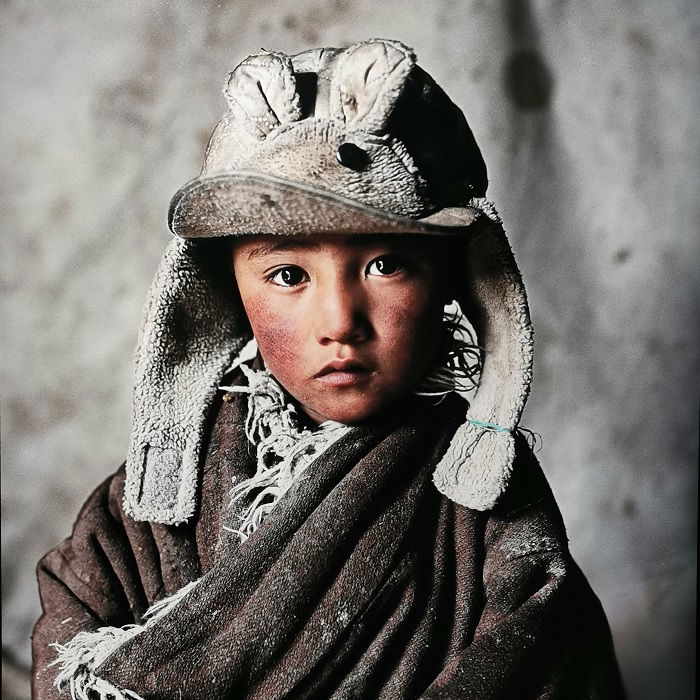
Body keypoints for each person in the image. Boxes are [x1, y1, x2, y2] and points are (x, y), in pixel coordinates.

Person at [31, 39, 625, 699]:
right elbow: (71, 630)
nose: (340, 320)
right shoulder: (155, 501)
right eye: (287, 274)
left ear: (455, 279)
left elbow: (543, 665)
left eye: (387, 265)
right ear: (225, 290)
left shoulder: (487, 506)